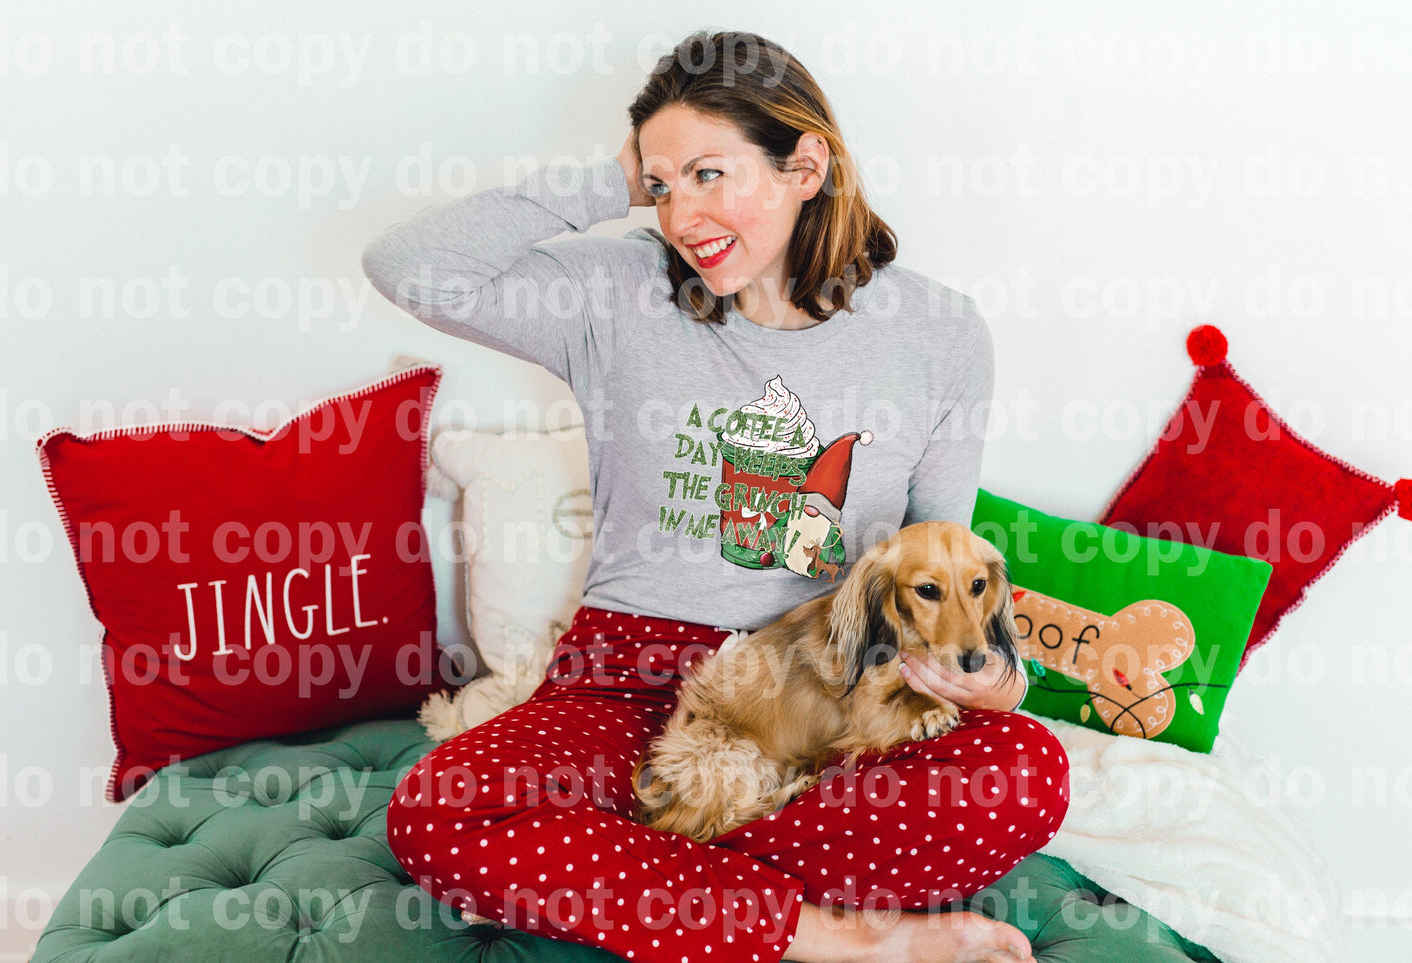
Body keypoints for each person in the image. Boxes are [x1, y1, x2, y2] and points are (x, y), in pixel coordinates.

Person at [364, 29, 1067, 963]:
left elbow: (935, 551)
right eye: (661, 187)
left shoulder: (937, 332)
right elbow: (409, 267)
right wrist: (614, 179)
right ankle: (835, 935)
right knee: (436, 812)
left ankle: (644, 888)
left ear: (804, 164)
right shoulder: (615, 294)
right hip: (622, 680)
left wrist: (992, 680)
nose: (680, 214)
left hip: (824, 680)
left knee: (1024, 771)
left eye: (706, 173)